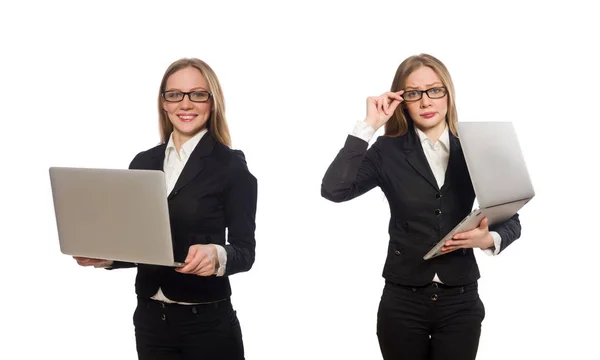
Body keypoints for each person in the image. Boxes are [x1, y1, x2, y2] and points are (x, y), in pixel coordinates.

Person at [321, 53, 521, 360]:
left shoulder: (475, 144)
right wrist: (369, 125)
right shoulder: (386, 151)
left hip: (460, 301)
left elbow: (511, 216)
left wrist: (489, 239)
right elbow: (334, 189)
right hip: (403, 301)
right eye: (414, 93)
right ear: (401, 100)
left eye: (434, 90)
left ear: (448, 94)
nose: (426, 102)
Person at [74, 58, 257, 360]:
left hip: (207, 325)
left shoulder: (230, 165)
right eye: (175, 94)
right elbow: (143, 245)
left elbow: (245, 251)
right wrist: (108, 257)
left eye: (197, 94)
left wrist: (217, 255)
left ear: (212, 102)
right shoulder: (143, 162)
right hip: (150, 321)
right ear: (163, 103)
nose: (185, 104)